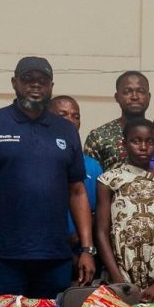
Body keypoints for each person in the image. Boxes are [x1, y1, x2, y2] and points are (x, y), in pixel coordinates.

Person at [0, 56, 96, 299]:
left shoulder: (65, 131)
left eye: (42, 81)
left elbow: (77, 190)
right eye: (28, 79)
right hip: (1, 258)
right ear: (14, 83)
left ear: (51, 87)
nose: (35, 85)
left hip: (54, 259)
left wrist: (87, 249)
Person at [96, 118, 154, 303]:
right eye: (136, 141)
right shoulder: (109, 180)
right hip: (120, 270)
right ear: (124, 144)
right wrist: (119, 282)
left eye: (149, 142)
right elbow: (101, 232)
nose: (143, 147)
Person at [48, 95, 103, 250]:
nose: (70, 120)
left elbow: (100, 210)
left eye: (75, 116)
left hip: (83, 249)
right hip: (48, 248)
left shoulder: (93, 165)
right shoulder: (37, 159)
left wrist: (81, 235)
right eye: (63, 115)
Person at [84, 70, 151, 172]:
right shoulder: (99, 136)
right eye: (127, 92)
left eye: (141, 91)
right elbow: (89, 177)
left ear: (149, 97)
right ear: (117, 97)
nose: (134, 97)